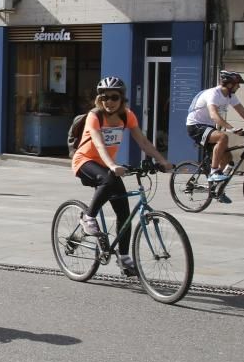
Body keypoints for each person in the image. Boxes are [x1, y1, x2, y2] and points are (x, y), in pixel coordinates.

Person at [73, 77, 172, 274]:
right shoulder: (95, 116)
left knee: (124, 213)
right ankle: (88, 217)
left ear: (122, 99)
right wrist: (112, 165)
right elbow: (99, 144)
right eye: (104, 97)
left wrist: (162, 160)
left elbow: (143, 142)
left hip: (106, 165)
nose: (108, 101)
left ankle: (125, 258)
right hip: (85, 161)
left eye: (114, 97)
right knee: (108, 178)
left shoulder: (127, 116)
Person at [185, 70, 244, 186]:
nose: (238, 86)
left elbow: (242, 112)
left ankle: (215, 188)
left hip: (208, 127)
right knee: (223, 137)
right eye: (237, 84)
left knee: (227, 157)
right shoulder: (213, 94)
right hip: (195, 125)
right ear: (229, 84)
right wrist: (231, 128)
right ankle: (214, 171)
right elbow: (214, 115)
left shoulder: (230, 96)